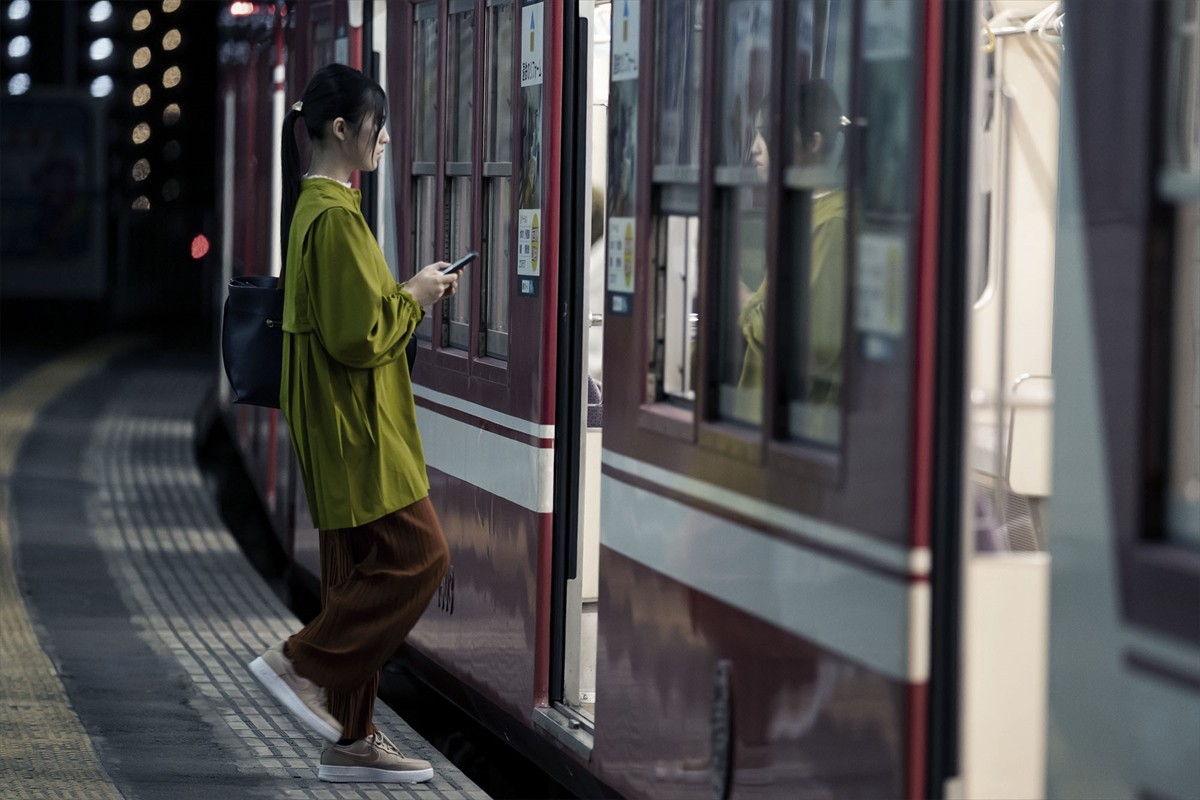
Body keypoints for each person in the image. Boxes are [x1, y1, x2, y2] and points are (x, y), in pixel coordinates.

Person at [247, 63, 458, 785]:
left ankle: (352, 739)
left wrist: (401, 293)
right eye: (378, 126)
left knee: (355, 578)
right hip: (357, 430)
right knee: (421, 557)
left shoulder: (316, 207)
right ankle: (298, 662)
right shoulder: (336, 218)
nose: (386, 139)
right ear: (343, 129)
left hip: (335, 427)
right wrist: (416, 297)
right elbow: (356, 336)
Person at [737, 79, 847, 437]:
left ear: (814, 143)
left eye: (767, 133)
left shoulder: (832, 224)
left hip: (800, 429)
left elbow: (811, 344)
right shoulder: (802, 213)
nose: (756, 148)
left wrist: (735, 296)